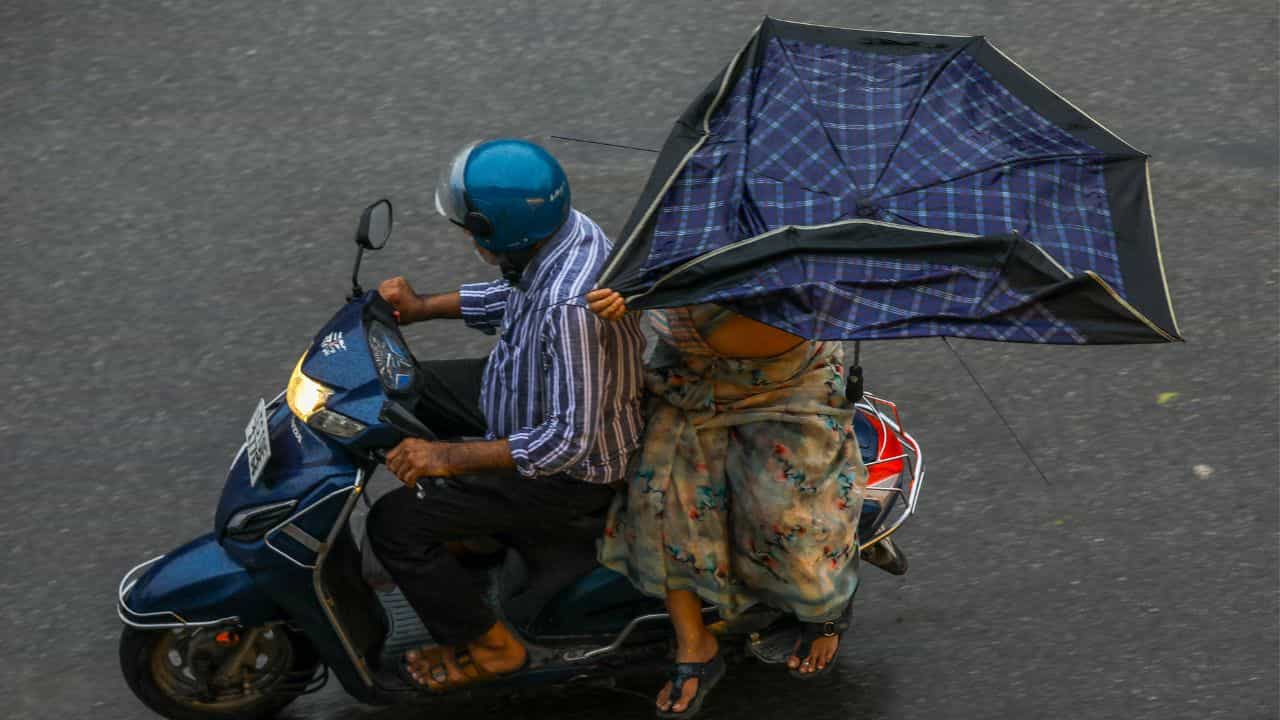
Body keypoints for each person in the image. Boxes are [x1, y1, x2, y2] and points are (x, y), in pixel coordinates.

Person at [366, 139, 646, 693]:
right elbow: (512, 296)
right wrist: (423, 308)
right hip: (521, 395)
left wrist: (449, 458)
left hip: (568, 476)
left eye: (470, 228)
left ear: (496, 230)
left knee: (393, 527)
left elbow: (567, 442)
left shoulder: (573, 311)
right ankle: (479, 536)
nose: (467, 237)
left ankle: (495, 649)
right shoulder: (561, 232)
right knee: (402, 392)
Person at [589, 291, 867, 717]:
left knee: (789, 521)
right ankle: (694, 643)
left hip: (787, 387)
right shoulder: (676, 238)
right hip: (690, 382)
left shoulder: (793, 259)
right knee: (658, 502)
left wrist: (649, 293)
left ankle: (826, 613)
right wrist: (630, 289)